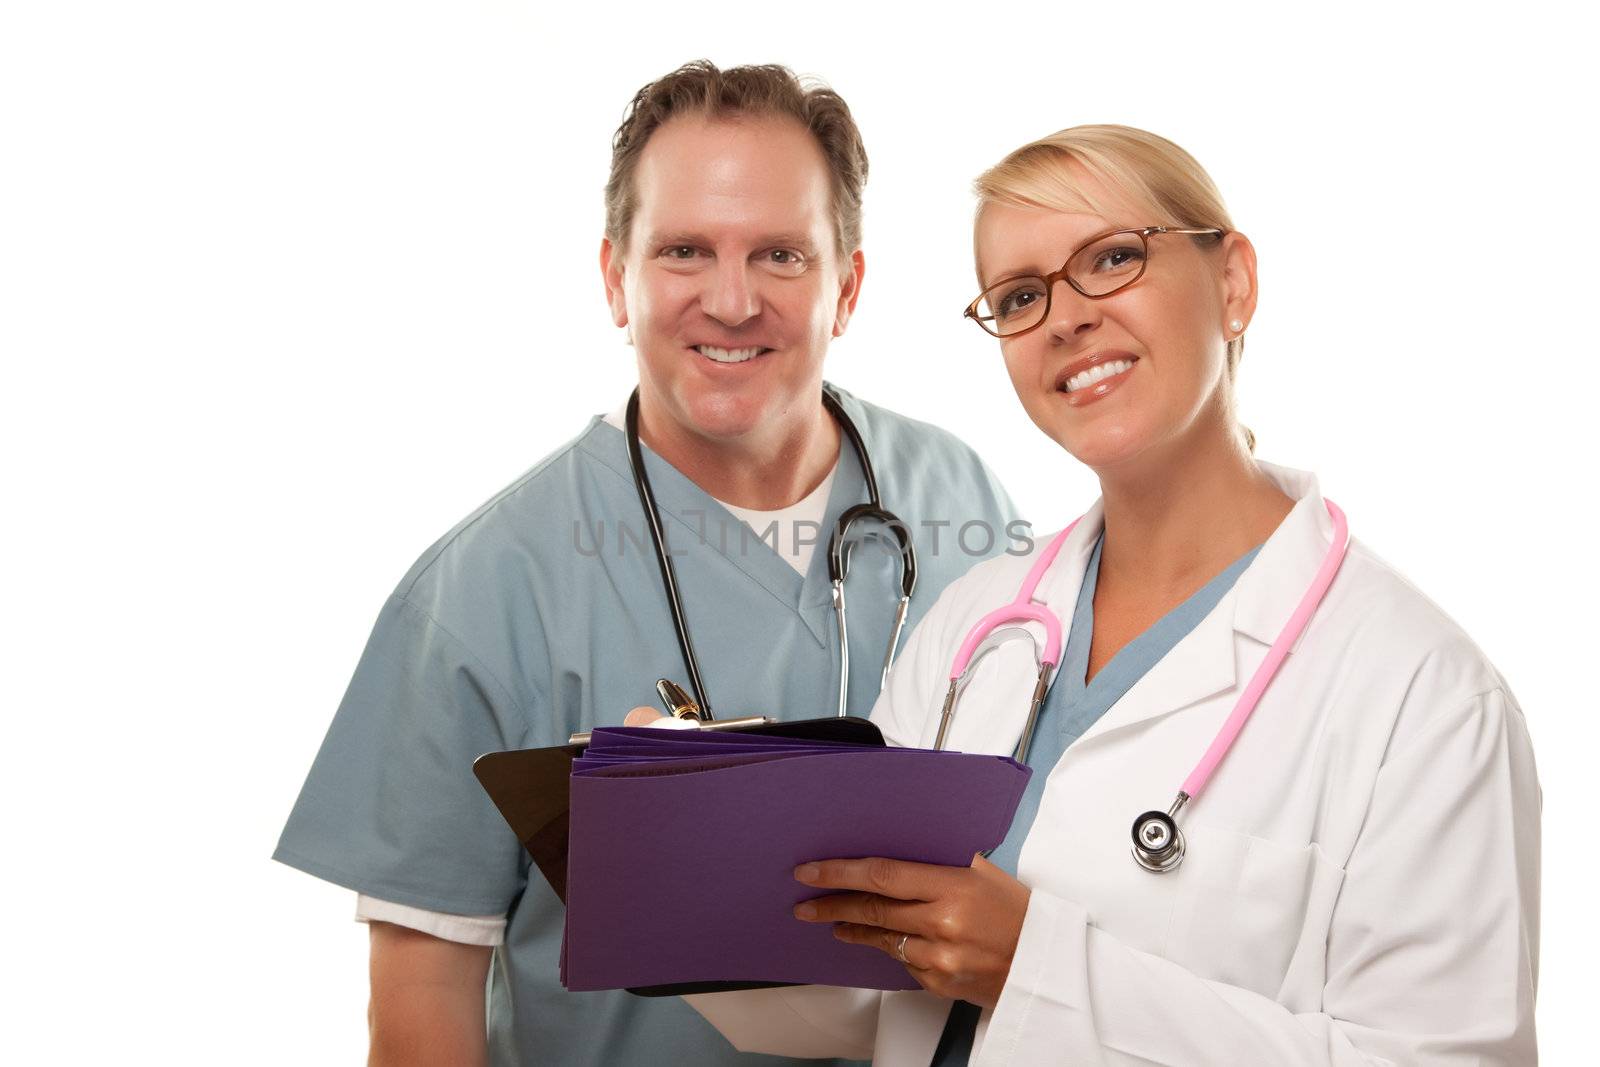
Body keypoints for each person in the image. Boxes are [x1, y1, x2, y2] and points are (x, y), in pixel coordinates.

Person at [679, 125, 1541, 1064]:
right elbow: (858, 998)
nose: (1064, 318)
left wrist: (1038, 969)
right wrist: (695, 852)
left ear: (1234, 283)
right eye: (1019, 296)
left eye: (1114, 258)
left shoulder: (1426, 697)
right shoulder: (974, 628)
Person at [272, 61, 1020, 1066]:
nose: (730, 298)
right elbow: (419, 1003)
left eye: (780, 255)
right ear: (614, 277)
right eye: (682, 250)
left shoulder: (964, 503)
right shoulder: (488, 586)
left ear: (845, 286)